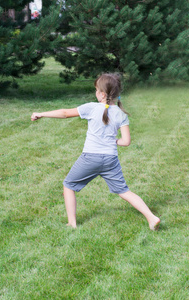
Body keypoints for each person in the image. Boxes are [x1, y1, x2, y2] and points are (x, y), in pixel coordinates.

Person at [31, 73, 160, 230]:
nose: (95, 93)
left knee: (68, 185)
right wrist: (113, 141)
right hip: (110, 159)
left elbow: (65, 113)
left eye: (96, 90)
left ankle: (72, 223)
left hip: (90, 158)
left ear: (102, 94)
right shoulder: (121, 114)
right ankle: (151, 217)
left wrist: (41, 114)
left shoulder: (91, 108)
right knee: (124, 191)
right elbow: (126, 142)